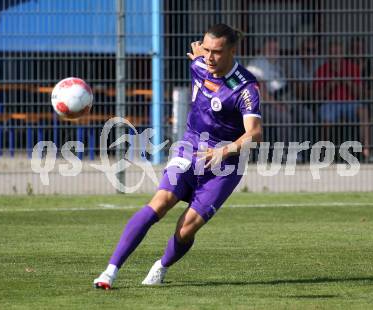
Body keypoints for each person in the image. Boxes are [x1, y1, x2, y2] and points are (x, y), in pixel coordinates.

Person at [93, 23, 262, 289]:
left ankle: (161, 266)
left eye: (217, 52)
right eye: (206, 50)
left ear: (232, 50)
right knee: (159, 203)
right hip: (190, 147)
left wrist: (224, 150)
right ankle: (109, 271)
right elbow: (198, 57)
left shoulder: (246, 87)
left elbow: (255, 133)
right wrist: (199, 54)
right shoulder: (199, 64)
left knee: (186, 229)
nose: (210, 57)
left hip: (225, 164)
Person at [314, 41, 373, 162]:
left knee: (364, 111)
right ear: (329, 54)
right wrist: (331, 84)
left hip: (350, 103)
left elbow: (360, 94)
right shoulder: (322, 69)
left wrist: (348, 82)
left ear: (343, 53)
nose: (336, 55)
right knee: (326, 118)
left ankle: (367, 151)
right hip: (330, 103)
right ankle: (324, 153)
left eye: (338, 52)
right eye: (333, 52)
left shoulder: (353, 67)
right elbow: (317, 97)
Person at [246, 38, 293, 145]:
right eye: (270, 49)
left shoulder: (276, 63)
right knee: (284, 117)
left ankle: (302, 150)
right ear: (263, 49)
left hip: (281, 97)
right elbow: (262, 92)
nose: (274, 51)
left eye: (276, 49)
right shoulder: (258, 64)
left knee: (305, 115)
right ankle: (285, 152)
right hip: (262, 105)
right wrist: (279, 105)